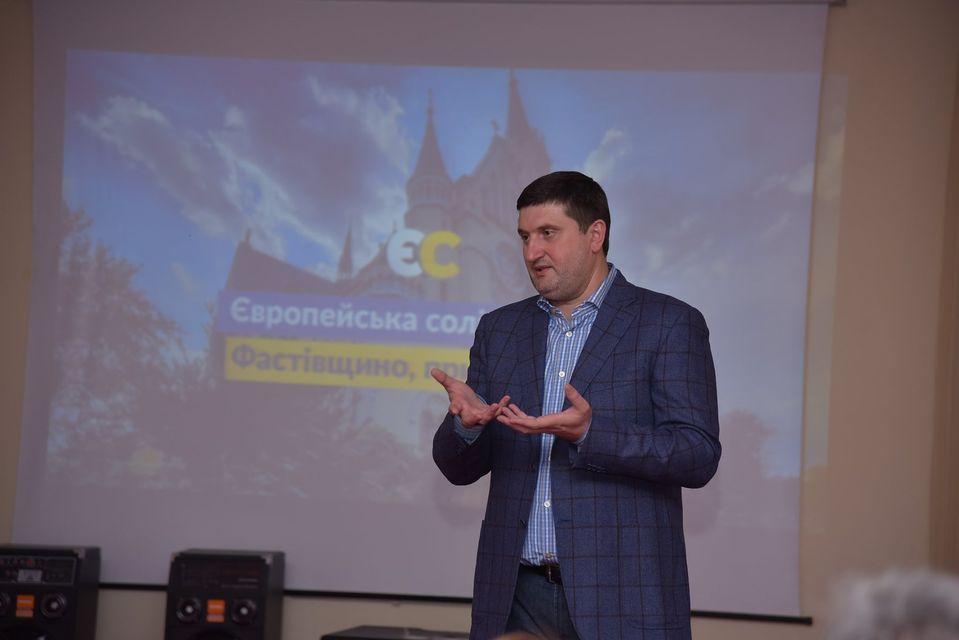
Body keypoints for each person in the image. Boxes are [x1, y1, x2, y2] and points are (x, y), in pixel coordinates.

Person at [432, 171, 721, 640]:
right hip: (515, 600)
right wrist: (466, 427)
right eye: (525, 237)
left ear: (595, 234)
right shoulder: (499, 330)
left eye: (548, 233)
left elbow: (697, 453)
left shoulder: (669, 324)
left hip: (625, 600)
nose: (532, 252)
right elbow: (457, 469)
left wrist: (591, 434)